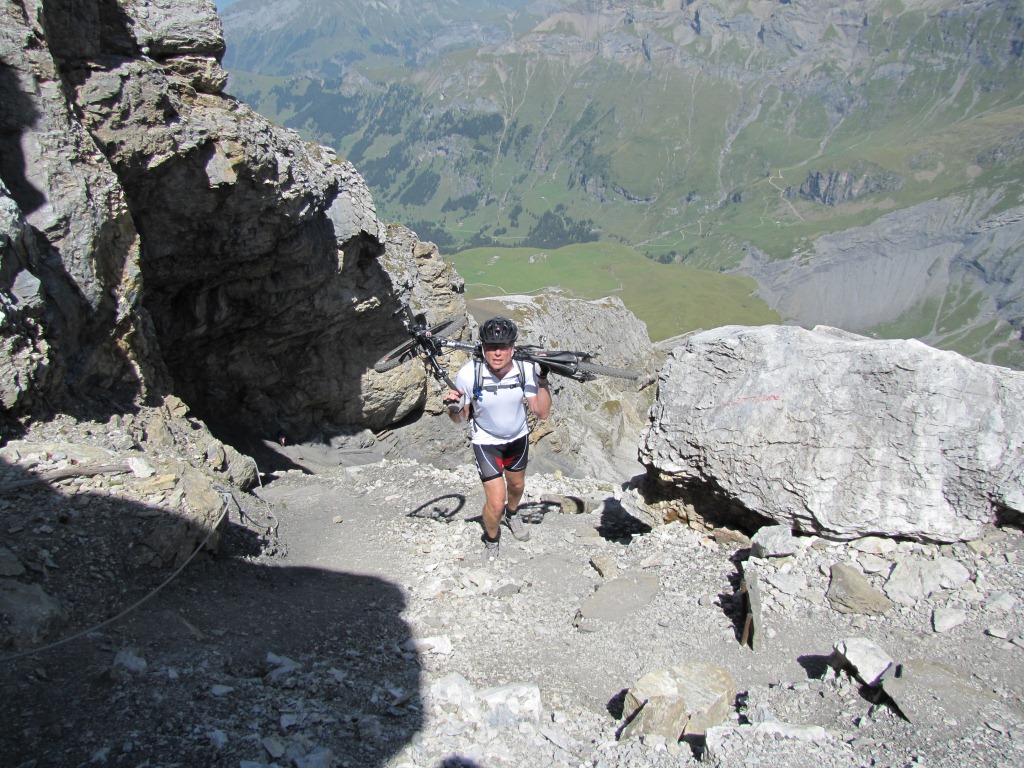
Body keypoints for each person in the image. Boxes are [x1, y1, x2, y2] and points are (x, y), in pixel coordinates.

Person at [444, 316, 551, 560]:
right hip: (486, 443)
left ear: (513, 347)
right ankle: (492, 540)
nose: (498, 353)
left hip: (518, 438)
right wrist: (454, 408)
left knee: (517, 487)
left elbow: (542, 412)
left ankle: (512, 514)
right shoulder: (469, 374)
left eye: (503, 346)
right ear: (483, 347)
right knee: (495, 501)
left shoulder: (524, 369)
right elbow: (461, 419)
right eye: (492, 347)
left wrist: (543, 379)